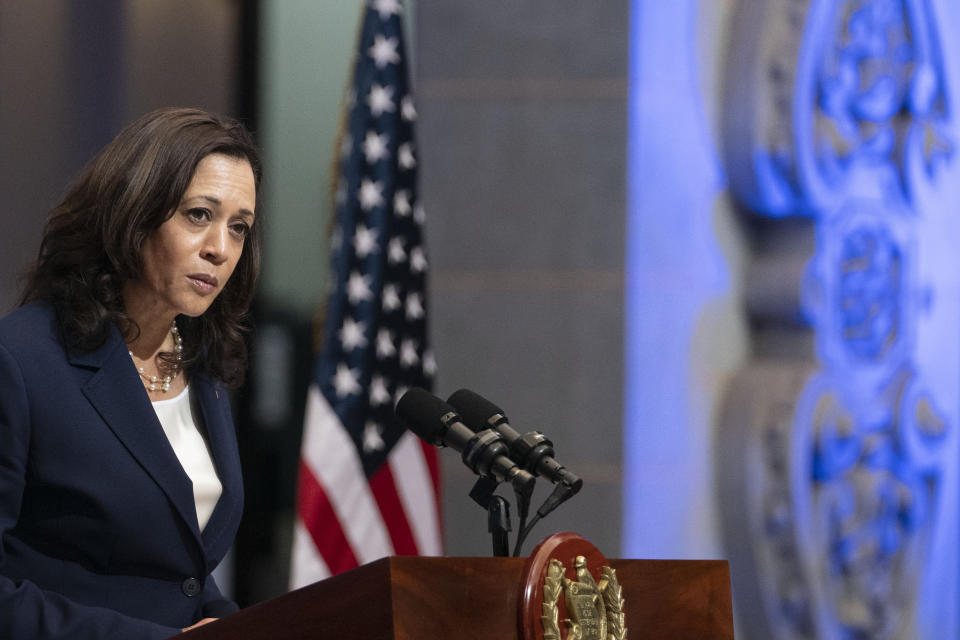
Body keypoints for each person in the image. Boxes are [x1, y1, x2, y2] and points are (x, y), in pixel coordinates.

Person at [0, 107, 262, 638]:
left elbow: (173, 569)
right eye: (197, 215)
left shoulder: (199, 364)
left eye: (238, 227)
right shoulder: (21, 360)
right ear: (133, 213)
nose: (219, 248)